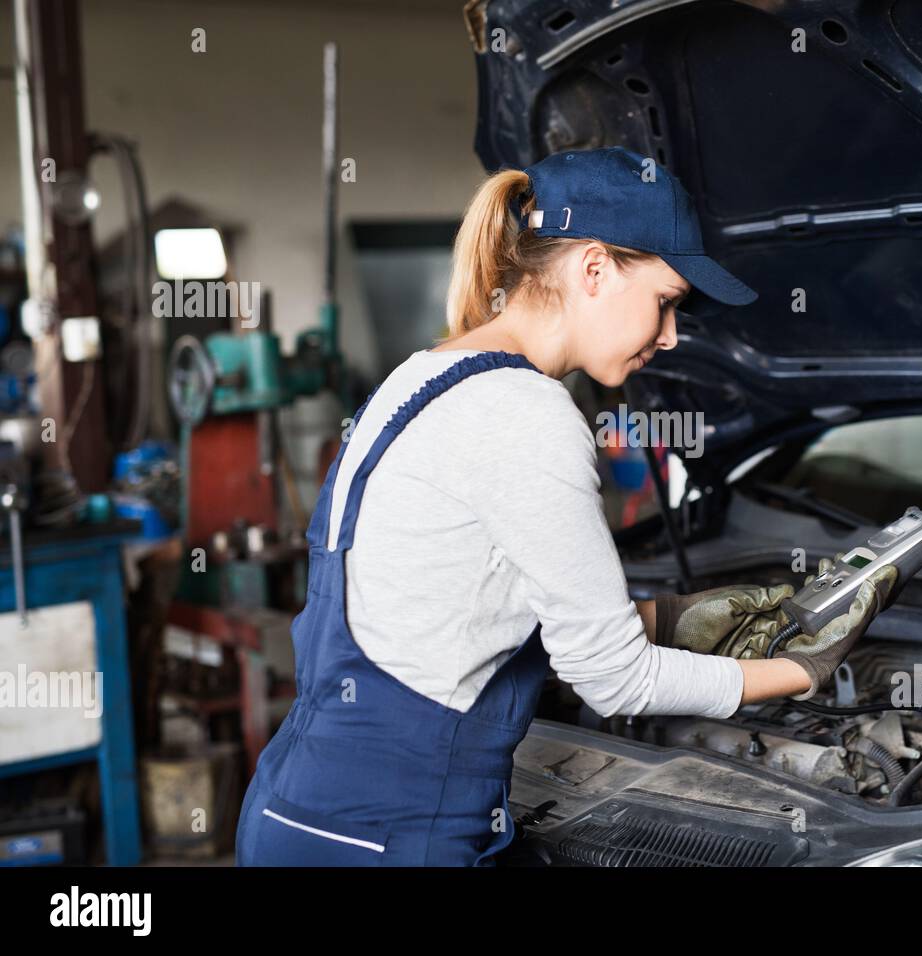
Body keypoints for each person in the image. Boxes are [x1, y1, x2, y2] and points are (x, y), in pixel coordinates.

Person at [234, 146, 883, 866]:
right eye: (667, 301)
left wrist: (674, 620)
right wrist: (804, 671)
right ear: (595, 269)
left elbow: (457, 611)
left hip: (298, 809)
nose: (671, 336)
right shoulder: (527, 414)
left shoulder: (424, 376)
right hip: (394, 835)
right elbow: (614, 680)